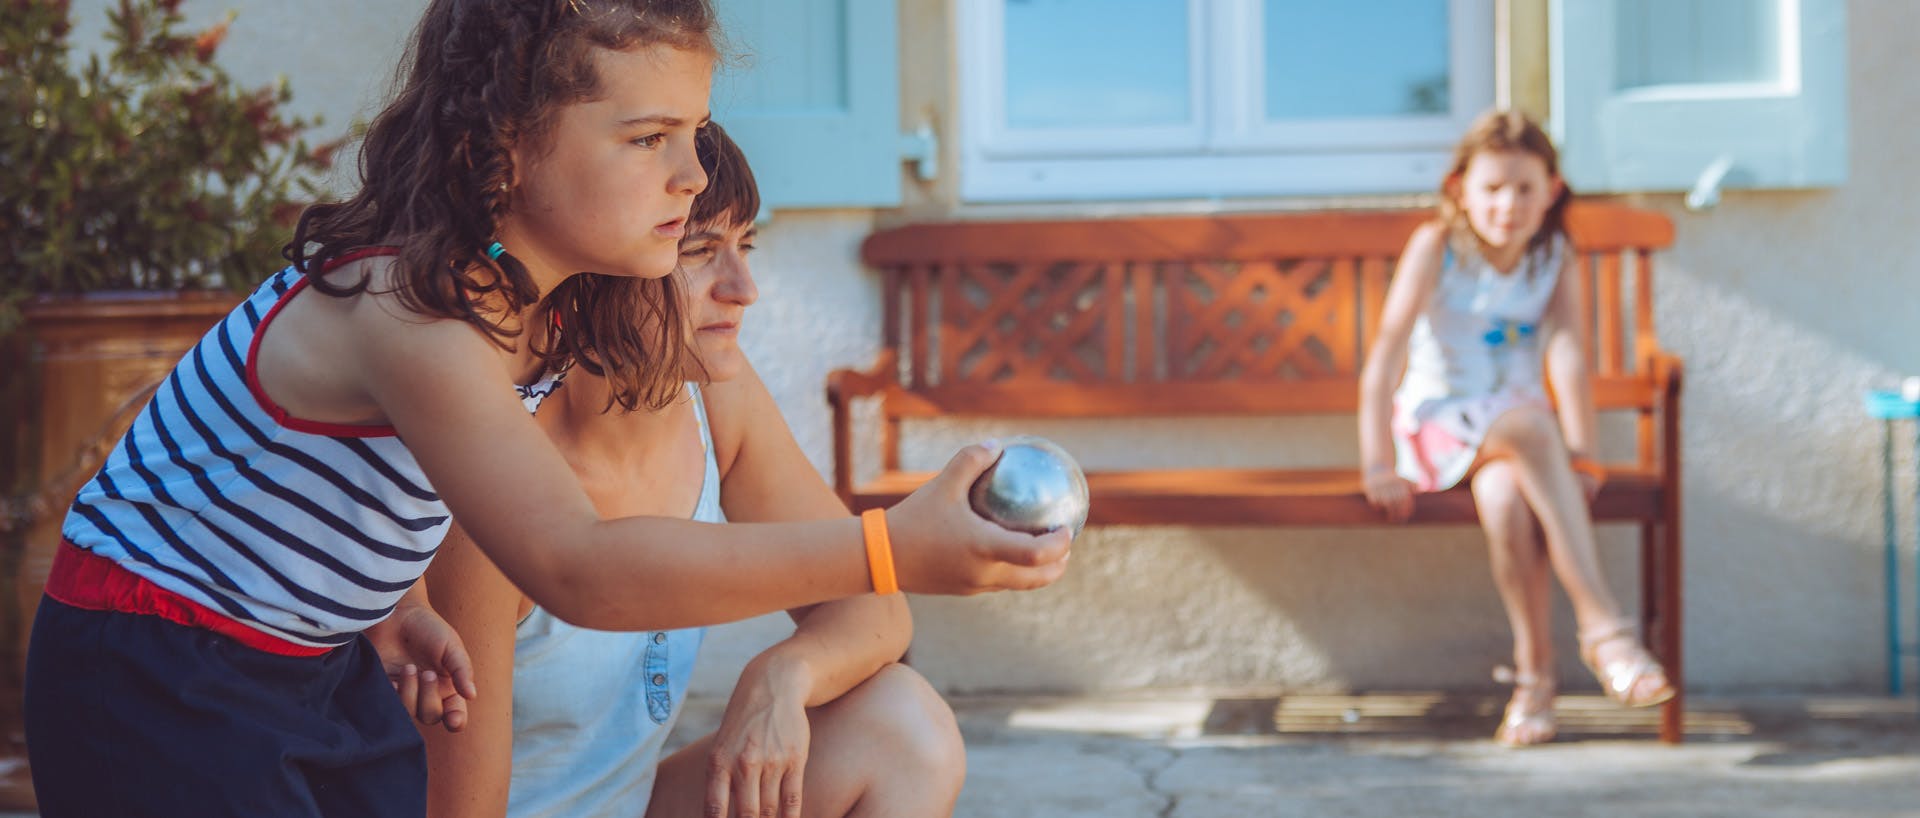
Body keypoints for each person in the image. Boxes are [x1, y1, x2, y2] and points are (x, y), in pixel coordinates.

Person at [22, 2, 1069, 815]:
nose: (692, 172)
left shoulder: (546, 312)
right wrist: (889, 548)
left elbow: (297, 468)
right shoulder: (412, 314)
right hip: (151, 663)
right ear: (506, 145)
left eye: (696, 133)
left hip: (306, 656)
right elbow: (578, 565)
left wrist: (386, 597)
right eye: (650, 136)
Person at [420, 123, 962, 818]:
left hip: (633, 805)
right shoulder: (492, 486)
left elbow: (876, 607)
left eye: (746, 246)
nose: (743, 289)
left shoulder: (715, 399)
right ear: (592, 270)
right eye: (701, 251)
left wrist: (782, 675)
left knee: (903, 723)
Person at [1357, 109, 1675, 748]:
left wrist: (1582, 451)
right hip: (1438, 424)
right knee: (1531, 429)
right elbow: (1388, 350)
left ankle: (1535, 684)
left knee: (1506, 500)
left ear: (1551, 190)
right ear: (1461, 190)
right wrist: (1374, 461)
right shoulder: (1436, 247)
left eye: (1525, 188)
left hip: (1519, 436)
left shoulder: (1553, 254)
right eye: (1493, 188)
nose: (1508, 204)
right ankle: (1605, 630)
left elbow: (1566, 352)